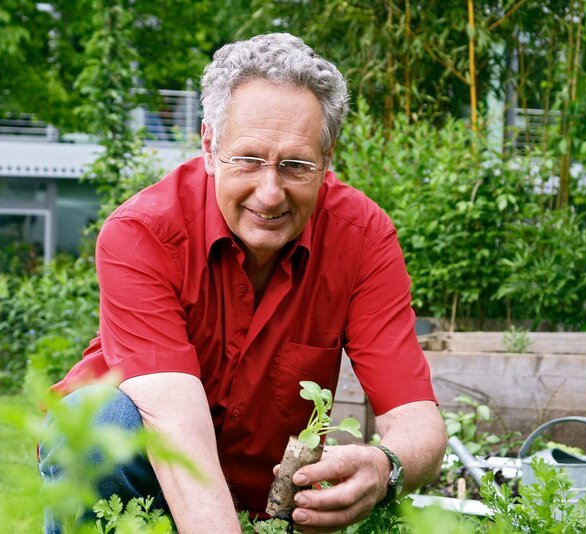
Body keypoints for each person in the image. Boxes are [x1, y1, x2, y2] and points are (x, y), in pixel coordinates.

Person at [40, 32, 446, 533]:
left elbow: (419, 424)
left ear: (328, 159)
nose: (270, 193)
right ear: (210, 147)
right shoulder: (144, 233)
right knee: (99, 423)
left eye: (295, 165)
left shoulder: (362, 238)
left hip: (266, 508)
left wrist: (386, 466)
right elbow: (176, 434)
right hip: (142, 473)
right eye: (249, 160)